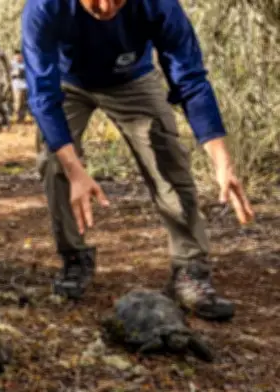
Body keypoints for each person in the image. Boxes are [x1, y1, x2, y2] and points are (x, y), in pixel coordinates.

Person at [22, 0, 255, 322]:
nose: (106, 8)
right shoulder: (44, 7)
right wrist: (75, 170)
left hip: (132, 78)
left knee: (167, 159)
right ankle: (74, 256)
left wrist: (221, 160)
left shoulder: (158, 5)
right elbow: (42, 95)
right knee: (55, 161)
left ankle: (189, 268)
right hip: (66, 83)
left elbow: (189, 78)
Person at [10, 49, 29, 124]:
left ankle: (22, 118)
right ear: (14, 57)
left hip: (26, 85)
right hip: (17, 86)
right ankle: (17, 117)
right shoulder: (12, 64)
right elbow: (8, 73)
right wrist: (16, 73)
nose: (18, 57)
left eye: (20, 56)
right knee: (18, 102)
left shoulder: (26, 63)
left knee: (25, 103)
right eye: (17, 56)